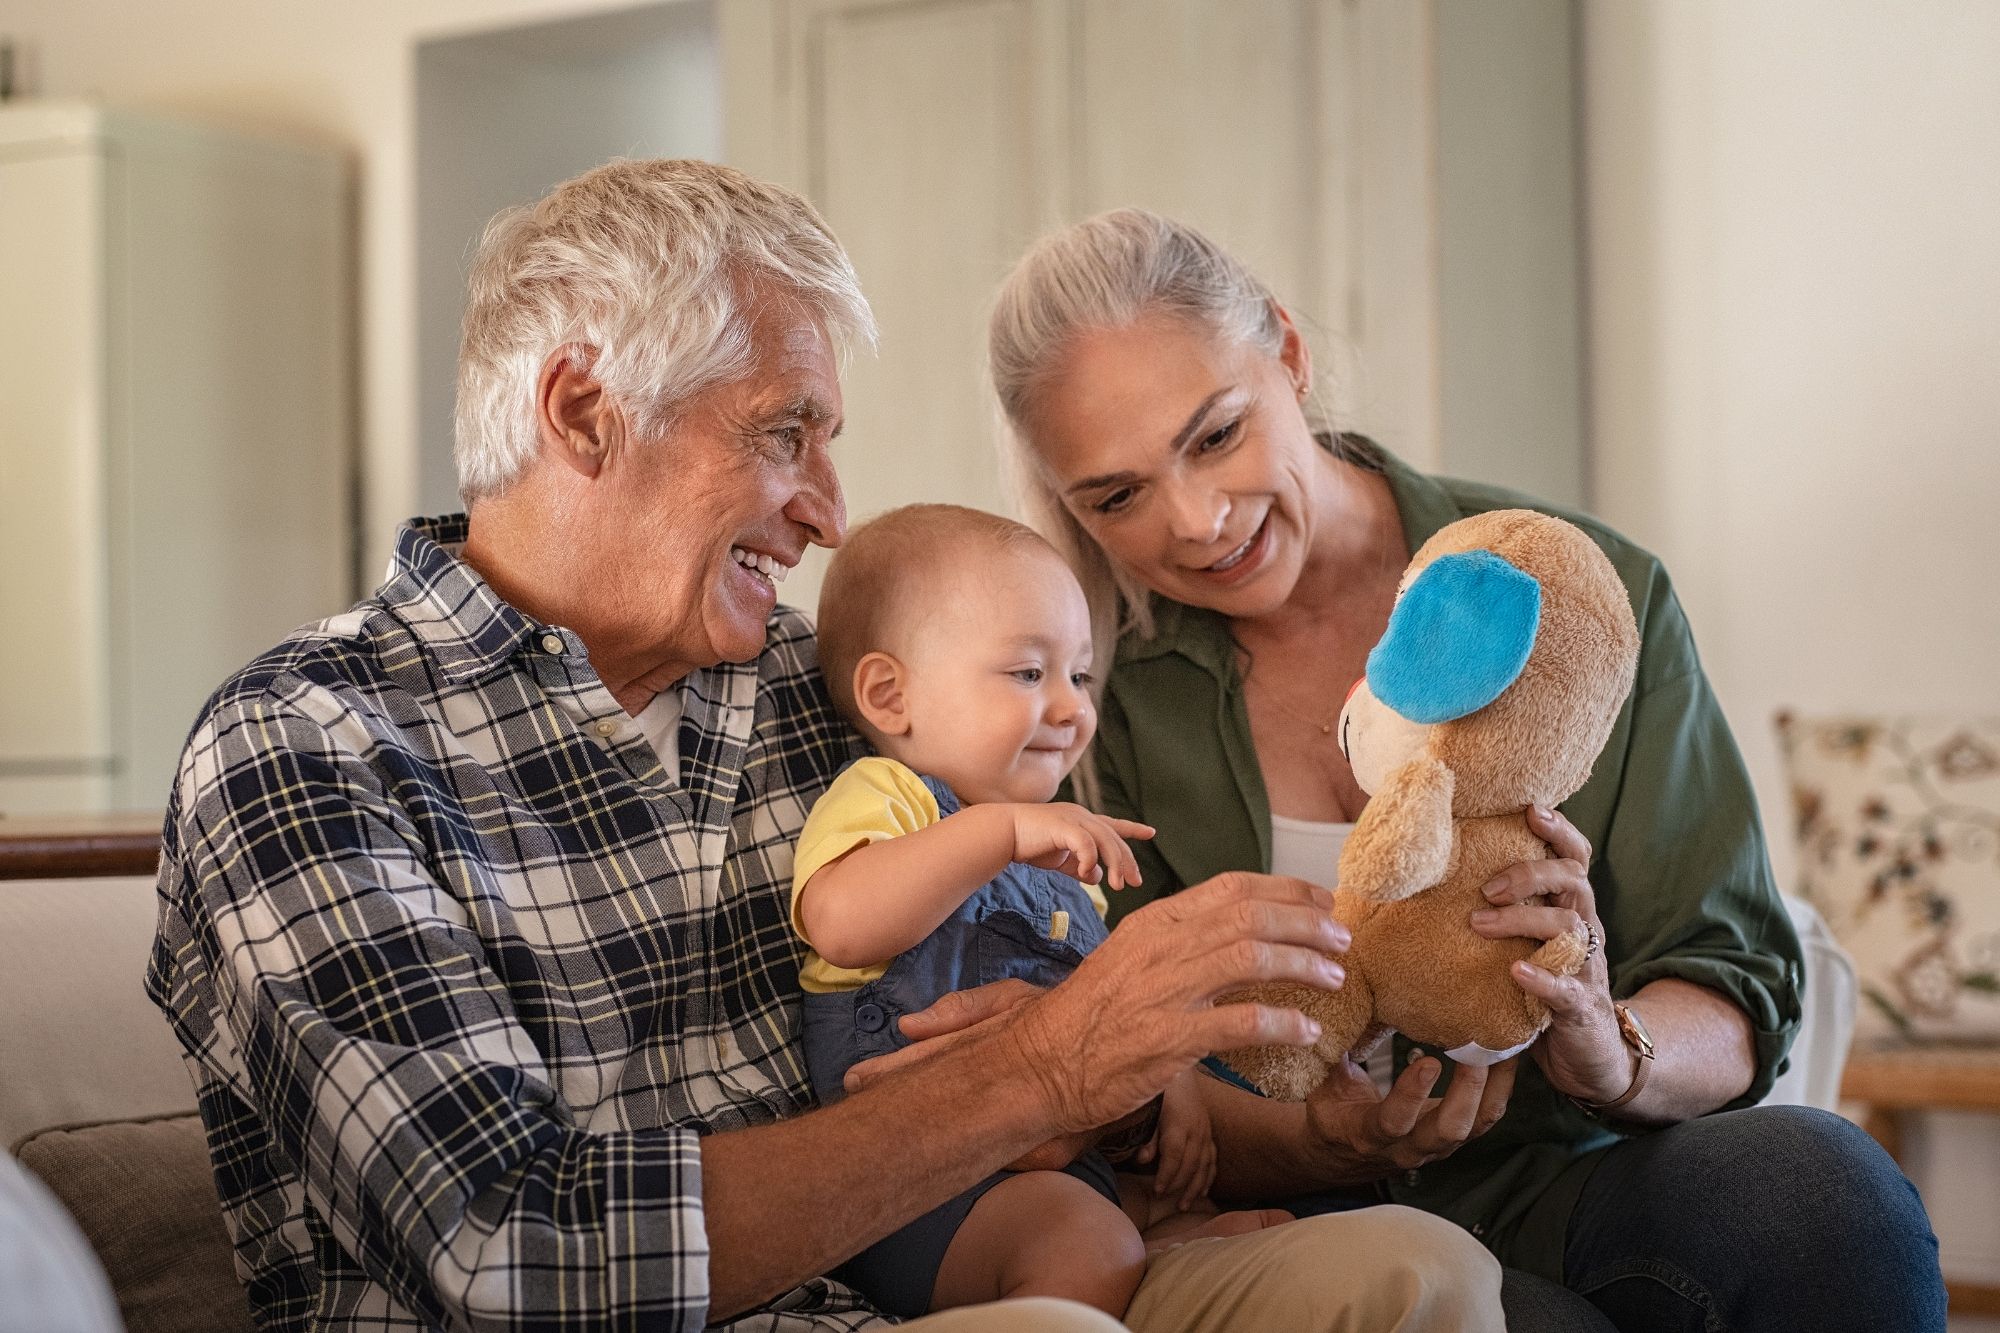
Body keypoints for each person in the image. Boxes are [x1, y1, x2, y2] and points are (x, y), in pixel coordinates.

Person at [146, 160, 1505, 1331]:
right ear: (580, 412)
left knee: (1411, 1273)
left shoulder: (835, 689)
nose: (834, 514)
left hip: (956, 1276)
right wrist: (1025, 1075)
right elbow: (514, 1254)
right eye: (787, 432)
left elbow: (1045, 1031)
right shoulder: (308, 745)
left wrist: (1113, 1110)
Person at [983, 206, 1948, 1330]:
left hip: (1569, 1176)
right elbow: (1133, 1082)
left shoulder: (1579, 595)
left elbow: (1729, 982)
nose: (1196, 521)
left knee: (1825, 1192)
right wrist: (1315, 1138)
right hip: (1312, 1235)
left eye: (1215, 435)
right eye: (1116, 496)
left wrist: (1608, 1044)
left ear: (1287, 355)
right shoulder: (1082, 700)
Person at [795, 503, 1285, 1320]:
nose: (1071, 709)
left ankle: (1144, 1246)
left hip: (1054, 1177)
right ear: (890, 694)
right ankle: (1121, 1258)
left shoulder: (1061, 865)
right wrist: (1002, 831)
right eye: (1029, 673)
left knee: (1249, 1227)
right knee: (1083, 1245)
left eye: (1080, 675)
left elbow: (1110, 1013)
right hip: (922, 1190)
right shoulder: (892, 797)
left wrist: (1175, 1082)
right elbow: (841, 921)